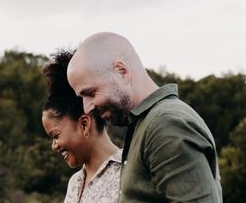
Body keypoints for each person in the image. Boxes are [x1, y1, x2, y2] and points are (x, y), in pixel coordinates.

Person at [67, 32, 222, 202]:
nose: (87, 108)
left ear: (121, 71)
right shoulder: (145, 124)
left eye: (91, 93)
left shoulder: (165, 124)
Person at [42, 49, 122, 203]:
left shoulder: (129, 173)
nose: (54, 146)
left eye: (56, 136)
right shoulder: (74, 183)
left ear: (84, 124)